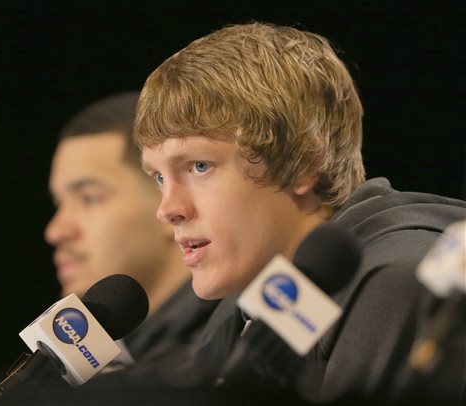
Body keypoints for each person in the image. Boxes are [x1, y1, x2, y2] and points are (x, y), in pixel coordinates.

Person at [132, 23, 466, 403]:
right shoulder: (253, 304)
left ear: (304, 163)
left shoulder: (398, 284)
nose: (168, 209)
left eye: (199, 166)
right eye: (159, 176)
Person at [44, 92, 218, 377]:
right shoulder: (128, 362)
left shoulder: (223, 358)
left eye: (89, 198)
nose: (56, 231)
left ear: (168, 202)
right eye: (58, 203)